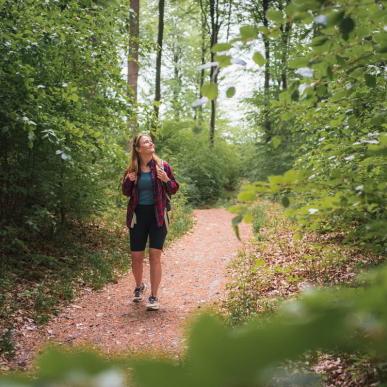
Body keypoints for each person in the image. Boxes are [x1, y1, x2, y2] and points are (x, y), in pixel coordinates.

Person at [121, 133, 179, 311]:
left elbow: (174, 188)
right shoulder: (132, 168)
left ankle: (153, 297)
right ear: (138, 149)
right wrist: (128, 182)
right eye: (146, 141)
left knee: (155, 255)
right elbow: (126, 192)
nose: (150, 143)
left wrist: (166, 180)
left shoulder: (163, 166)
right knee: (136, 257)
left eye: (150, 141)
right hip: (138, 216)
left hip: (158, 215)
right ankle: (139, 285)